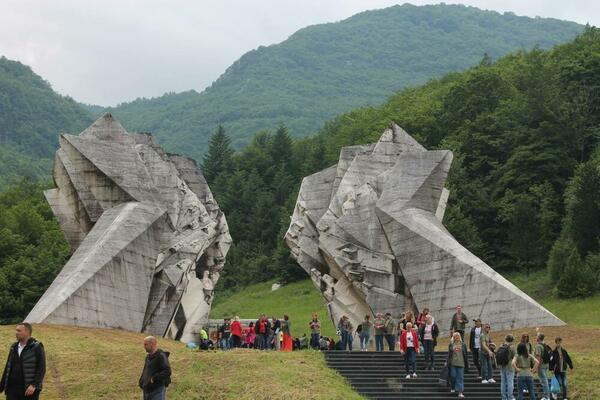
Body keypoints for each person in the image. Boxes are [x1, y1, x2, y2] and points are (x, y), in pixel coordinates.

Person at [0, 323, 46, 400]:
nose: (16, 333)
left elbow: (41, 368)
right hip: (12, 389)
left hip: (28, 390)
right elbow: (8, 367)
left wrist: (33, 385)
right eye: (16, 330)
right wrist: (1, 386)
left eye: (19, 331)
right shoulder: (13, 347)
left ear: (27, 332)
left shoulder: (36, 347)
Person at [139, 336, 171, 400]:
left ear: (152, 344)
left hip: (157, 390)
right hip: (147, 389)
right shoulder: (148, 357)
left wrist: (154, 378)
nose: (144, 346)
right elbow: (146, 371)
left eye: (145, 344)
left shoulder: (161, 356)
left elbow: (167, 371)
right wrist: (142, 381)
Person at [447, 331, 469, 398]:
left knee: (460, 378)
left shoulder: (463, 344)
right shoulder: (451, 344)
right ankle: (453, 387)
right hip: (453, 363)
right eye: (455, 336)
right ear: (453, 337)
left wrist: (467, 362)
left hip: (461, 363)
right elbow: (449, 354)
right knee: (453, 376)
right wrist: (447, 362)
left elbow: (466, 354)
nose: (457, 337)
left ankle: (460, 392)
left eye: (458, 336)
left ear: (460, 337)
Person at [499, 334, 517, 400]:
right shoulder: (512, 347)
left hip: (502, 366)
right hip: (509, 367)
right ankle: (510, 397)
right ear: (512, 340)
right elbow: (515, 356)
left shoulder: (502, 346)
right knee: (510, 382)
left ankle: (503, 398)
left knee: (503, 382)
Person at [534, 333, 550, 400]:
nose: (536, 337)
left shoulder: (538, 346)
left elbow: (538, 358)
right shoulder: (544, 344)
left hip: (541, 366)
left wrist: (536, 368)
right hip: (546, 365)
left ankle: (546, 397)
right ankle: (546, 395)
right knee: (544, 380)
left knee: (544, 381)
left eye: (536, 336)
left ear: (538, 338)